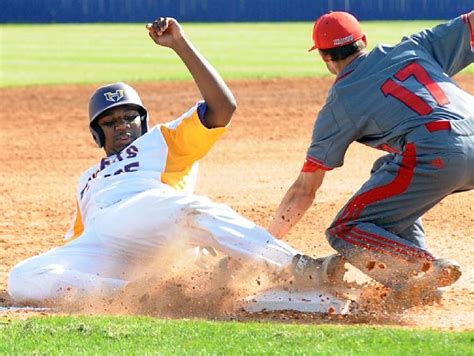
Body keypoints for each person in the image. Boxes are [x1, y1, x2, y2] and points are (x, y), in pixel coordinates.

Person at [8, 17, 323, 305]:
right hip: (107, 243)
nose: (121, 124)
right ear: (97, 135)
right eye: (110, 121)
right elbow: (80, 241)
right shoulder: (88, 179)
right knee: (22, 277)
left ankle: (299, 266)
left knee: (190, 210)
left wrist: (179, 44)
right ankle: (140, 295)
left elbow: (222, 108)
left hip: (153, 218)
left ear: (143, 122)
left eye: (130, 116)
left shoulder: (162, 140)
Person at [269, 11, 474, 302]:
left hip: (440, 153)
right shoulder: (413, 47)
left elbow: (304, 190)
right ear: (363, 40)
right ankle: (422, 286)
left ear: (325, 57)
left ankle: (422, 269)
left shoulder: (341, 101)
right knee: (385, 168)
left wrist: (264, 242)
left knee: (346, 229)